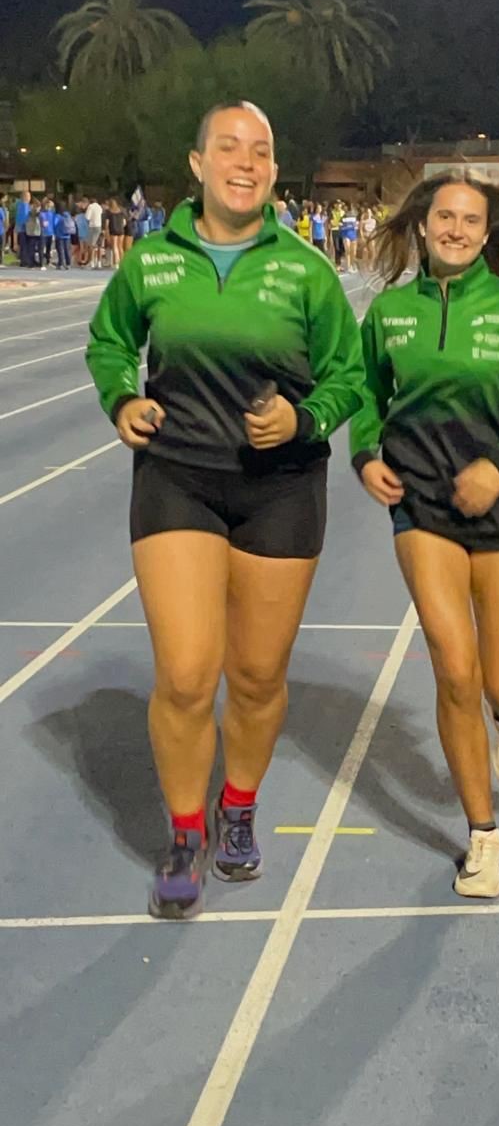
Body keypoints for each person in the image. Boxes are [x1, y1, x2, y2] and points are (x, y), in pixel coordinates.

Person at [85, 100, 364, 920]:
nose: (246, 162)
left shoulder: (305, 270)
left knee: (257, 675)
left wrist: (302, 420)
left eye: (261, 152)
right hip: (178, 478)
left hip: (281, 487)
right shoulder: (151, 263)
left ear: (274, 172)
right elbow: (110, 342)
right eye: (230, 148)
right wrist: (120, 399)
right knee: (184, 675)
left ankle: (237, 805)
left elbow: (349, 377)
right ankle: (184, 835)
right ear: (198, 164)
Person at [350, 171, 499, 898]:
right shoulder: (389, 313)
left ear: (487, 235)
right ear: (422, 226)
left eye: (470, 220)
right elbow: (365, 393)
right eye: (444, 217)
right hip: (421, 505)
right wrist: (365, 454)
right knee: (454, 667)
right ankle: (483, 837)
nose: (454, 229)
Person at [54, 203, 75, 269]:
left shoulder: (57, 216)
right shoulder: (68, 215)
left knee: (60, 250)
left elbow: (55, 224)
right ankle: (68, 263)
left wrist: (55, 232)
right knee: (67, 250)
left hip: (59, 235)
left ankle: (61, 264)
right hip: (68, 235)